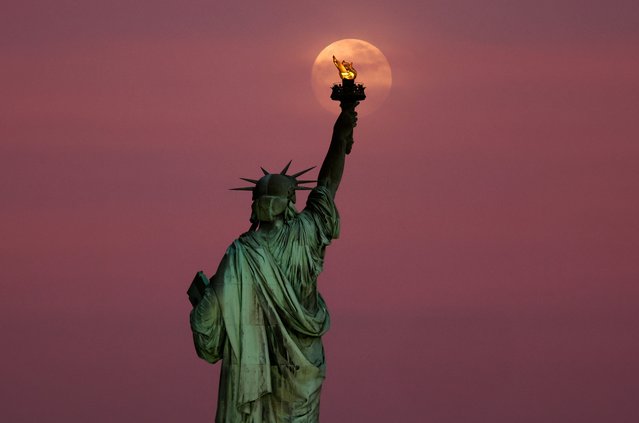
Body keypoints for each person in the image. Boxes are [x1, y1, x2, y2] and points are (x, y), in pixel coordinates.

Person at [189, 104, 358, 423]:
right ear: (290, 203)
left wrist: (203, 300)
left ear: (256, 207)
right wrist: (339, 136)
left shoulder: (239, 254)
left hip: (253, 383)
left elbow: (205, 321)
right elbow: (327, 186)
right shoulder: (306, 235)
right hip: (302, 375)